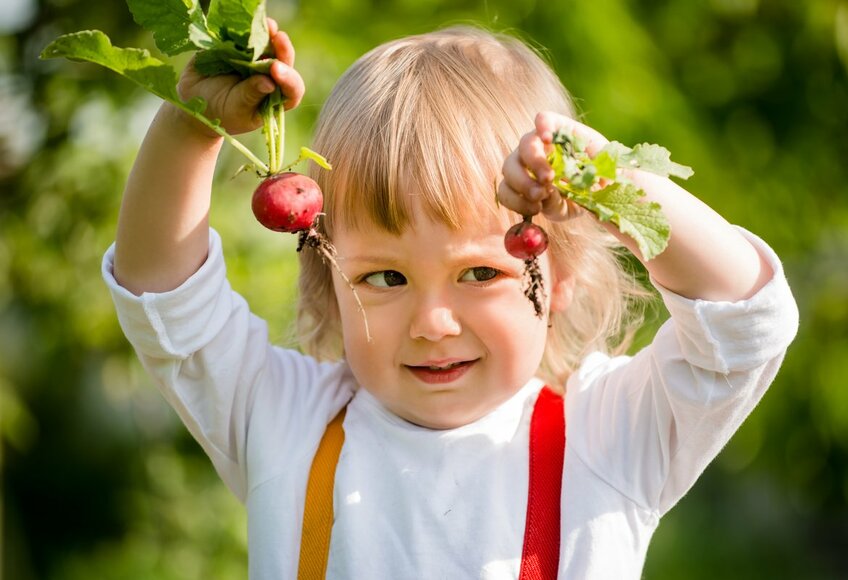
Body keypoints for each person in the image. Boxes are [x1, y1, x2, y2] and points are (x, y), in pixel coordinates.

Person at [102, 18, 799, 579]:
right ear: (327, 279)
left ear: (560, 273)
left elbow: (744, 319)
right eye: (385, 279)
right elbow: (163, 296)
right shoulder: (287, 424)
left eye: (479, 274)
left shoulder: (607, 439)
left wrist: (601, 178)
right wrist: (192, 125)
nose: (433, 324)